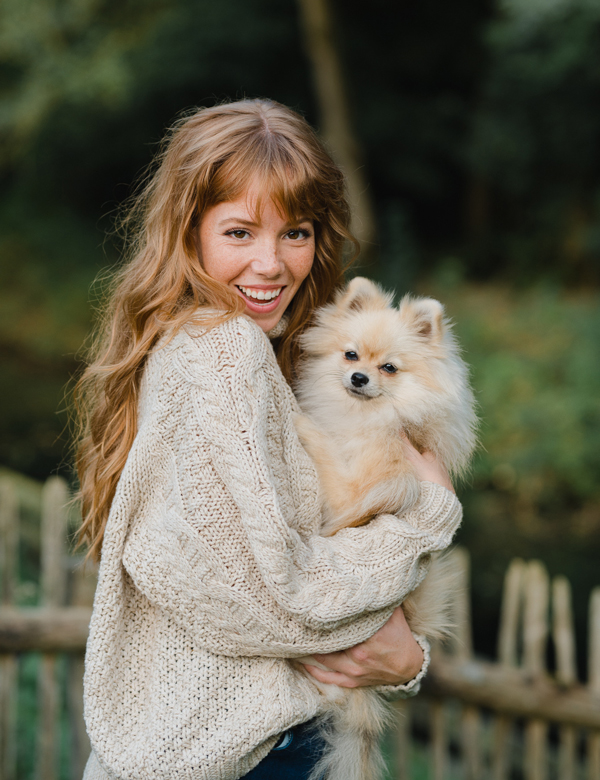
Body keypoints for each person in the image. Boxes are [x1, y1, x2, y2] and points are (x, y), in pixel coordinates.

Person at [76, 98, 462, 780]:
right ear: (188, 230)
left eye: (296, 232)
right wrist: (426, 519)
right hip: (239, 757)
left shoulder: (219, 345)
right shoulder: (223, 353)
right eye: (239, 232)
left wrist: (407, 660)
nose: (271, 263)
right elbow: (276, 601)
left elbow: (248, 578)